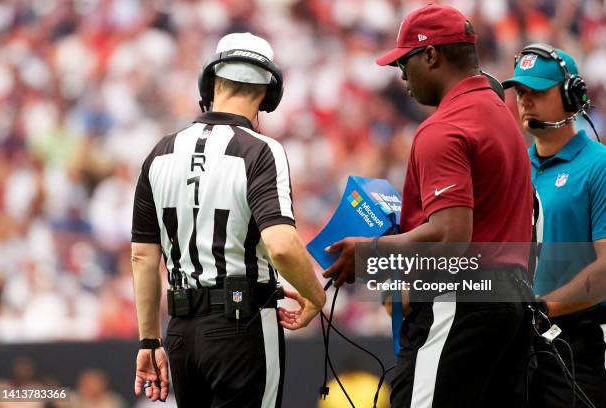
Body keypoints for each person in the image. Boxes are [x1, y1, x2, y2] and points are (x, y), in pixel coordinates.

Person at [323, 4, 535, 407]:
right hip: (511, 301)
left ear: (431, 55)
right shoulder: (501, 116)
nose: (402, 77)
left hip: (462, 299)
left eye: (404, 62)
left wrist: (368, 255)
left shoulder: (445, 127)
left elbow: (452, 235)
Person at [130, 32, 326, 407]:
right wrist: (315, 297)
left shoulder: (160, 152)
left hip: (181, 333)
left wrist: (149, 341)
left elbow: (142, 256)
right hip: (244, 326)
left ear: (212, 81)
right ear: (269, 93)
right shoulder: (261, 150)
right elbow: (281, 244)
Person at [502, 43, 606, 408]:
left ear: (570, 96)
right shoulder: (513, 169)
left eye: (538, 92)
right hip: (519, 346)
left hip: (579, 346)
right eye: (521, 92)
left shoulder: (599, 165)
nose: (525, 101)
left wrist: (542, 309)